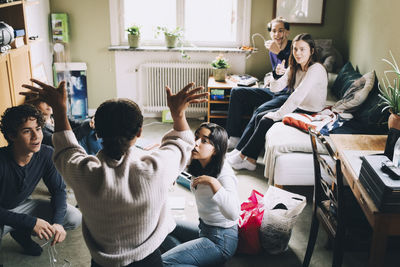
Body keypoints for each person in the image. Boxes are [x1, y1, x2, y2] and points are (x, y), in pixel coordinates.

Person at [21, 79, 208, 267]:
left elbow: (65, 147)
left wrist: (59, 110)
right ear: (139, 132)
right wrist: (178, 114)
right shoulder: (156, 169)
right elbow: (182, 141)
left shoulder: (82, 173)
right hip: (148, 261)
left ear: (98, 133)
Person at [227, 33, 328, 171]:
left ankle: (245, 156)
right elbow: (275, 88)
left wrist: (277, 114)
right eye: (295, 49)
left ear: (312, 50)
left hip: (311, 112)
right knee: (259, 115)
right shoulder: (295, 67)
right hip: (300, 108)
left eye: (302, 49)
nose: (298, 53)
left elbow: (297, 96)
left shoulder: (316, 69)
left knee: (265, 119)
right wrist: (277, 75)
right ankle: (248, 159)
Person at [0, 104, 82, 256]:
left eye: (38, 129)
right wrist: (30, 222)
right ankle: (21, 229)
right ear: (12, 136)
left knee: (73, 217)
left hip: (23, 206)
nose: (36, 136)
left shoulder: (46, 154)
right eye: (27, 131)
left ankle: (20, 233)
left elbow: (58, 191)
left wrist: (57, 223)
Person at [161, 122, 240, 266]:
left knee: (163, 263)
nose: (196, 143)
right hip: (203, 229)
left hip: (221, 240)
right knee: (163, 227)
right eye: (196, 137)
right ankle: (191, 257)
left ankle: (186, 258)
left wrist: (214, 184)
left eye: (204, 141)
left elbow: (234, 214)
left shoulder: (224, 174)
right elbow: (175, 159)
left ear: (215, 149)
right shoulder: (198, 161)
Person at [226, 17, 292, 149]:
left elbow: (292, 69)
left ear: (287, 32)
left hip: (287, 94)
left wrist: (278, 52)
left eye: (281, 31)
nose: (277, 35)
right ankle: (233, 137)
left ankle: (243, 148)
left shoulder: (293, 49)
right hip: (274, 90)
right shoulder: (272, 49)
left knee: (260, 110)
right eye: (274, 31)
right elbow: (277, 71)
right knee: (237, 92)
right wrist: (270, 78)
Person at [28, 98, 102, 155]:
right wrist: (88, 125)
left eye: (50, 100)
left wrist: (91, 121)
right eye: (44, 101)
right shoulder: (39, 129)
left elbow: (77, 124)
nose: (49, 103)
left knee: (92, 128)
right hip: (66, 153)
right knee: (89, 130)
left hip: (77, 147)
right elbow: (63, 141)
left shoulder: (56, 116)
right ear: (34, 105)